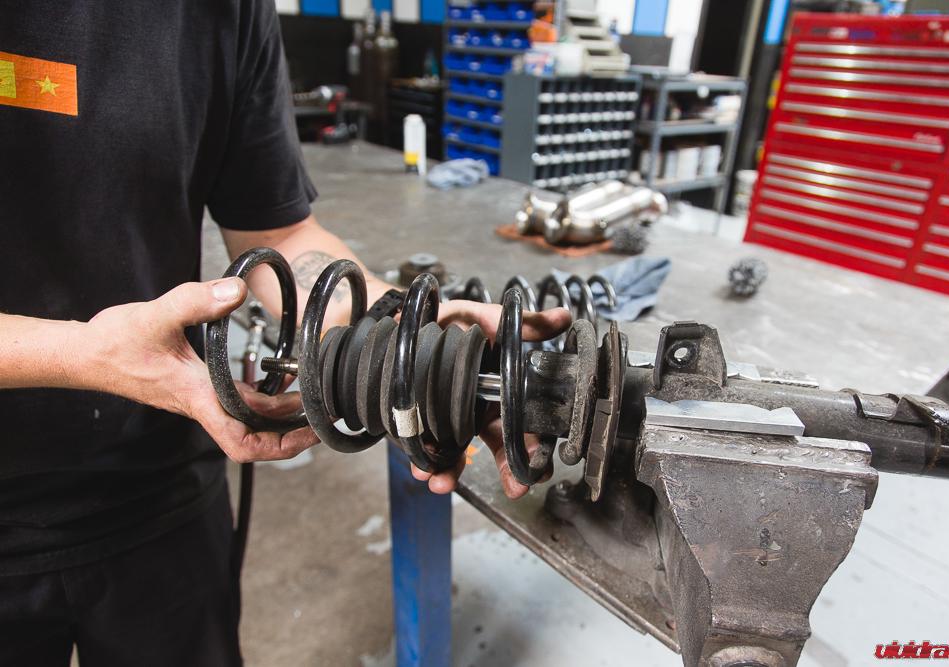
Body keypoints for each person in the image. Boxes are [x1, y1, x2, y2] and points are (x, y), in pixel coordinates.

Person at [0, 1, 568, 665]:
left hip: (160, 480)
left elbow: (278, 235)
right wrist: (85, 354)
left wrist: (401, 326)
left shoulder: (224, 12)